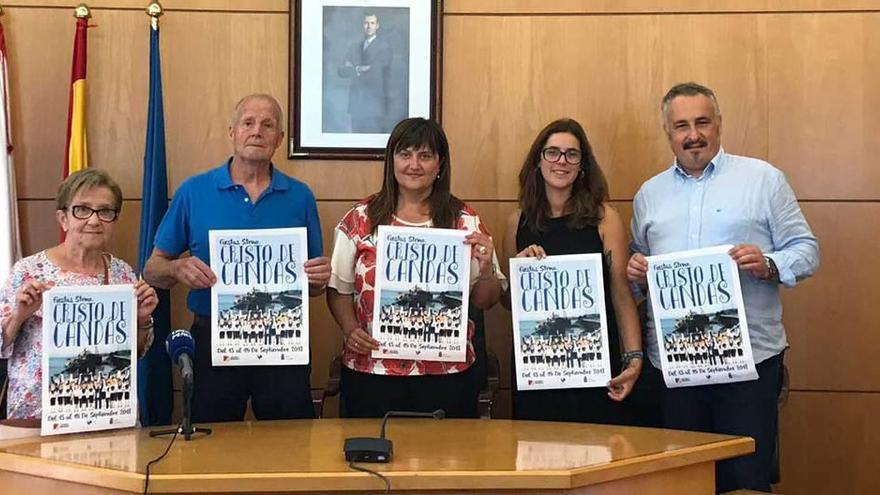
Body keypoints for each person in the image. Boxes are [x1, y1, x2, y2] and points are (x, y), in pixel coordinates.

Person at [626, 82, 819, 493]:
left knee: (745, 482)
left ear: (719, 125)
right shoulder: (649, 195)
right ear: (668, 132)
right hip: (675, 369)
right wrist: (637, 273)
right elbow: (639, 272)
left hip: (748, 365)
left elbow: (807, 250)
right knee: (682, 481)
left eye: (702, 122)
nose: (692, 134)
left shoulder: (763, 180)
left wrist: (769, 264)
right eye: (681, 125)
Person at [143, 94, 331, 423]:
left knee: (292, 446)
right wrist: (177, 267)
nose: (257, 131)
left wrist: (319, 278)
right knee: (210, 444)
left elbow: (313, 287)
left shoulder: (300, 196)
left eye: (268, 125)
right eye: (248, 123)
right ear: (232, 132)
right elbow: (152, 270)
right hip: (214, 342)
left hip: (283, 342)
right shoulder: (194, 191)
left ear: (279, 139)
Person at [326, 117, 505, 418]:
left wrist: (486, 270)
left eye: (425, 156)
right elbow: (338, 288)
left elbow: (484, 300)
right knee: (371, 460)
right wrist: (350, 328)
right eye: (405, 154)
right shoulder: (360, 219)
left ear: (440, 164)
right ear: (391, 160)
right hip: (372, 370)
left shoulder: (465, 221)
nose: (414, 164)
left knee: (446, 462)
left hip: (447, 374)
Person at [501, 118, 643, 425]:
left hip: (592, 363)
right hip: (536, 367)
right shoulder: (516, 222)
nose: (561, 161)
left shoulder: (605, 218)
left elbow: (621, 293)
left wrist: (633, 358)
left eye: (572, 154)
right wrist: (520, 273)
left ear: (582, 165)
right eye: (552, 152)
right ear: (538, 161)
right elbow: (508, 303)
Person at [0, 169, 158, 420]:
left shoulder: (124, 275)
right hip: (36, 417)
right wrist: (19, 316)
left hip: (106, 415)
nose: (94, 221)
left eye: (105, 211)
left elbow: (135, 353)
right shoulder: (28, 271)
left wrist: (142, 321)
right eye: (82, 209)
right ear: (63, 218)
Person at [338, 11, 393, 133]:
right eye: (366, 23)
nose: (369, 26)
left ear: (377, 25)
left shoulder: (384, 47)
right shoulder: (354, 47)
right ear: (362, 25)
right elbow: (341, 70)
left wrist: (353, 68)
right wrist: (358, 69)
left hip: (375, 105)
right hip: (356, 104)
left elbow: (376, 70)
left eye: (372, 23)